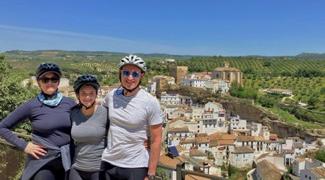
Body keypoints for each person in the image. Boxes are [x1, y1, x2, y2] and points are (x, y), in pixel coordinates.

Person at [0, 63, 76, 180]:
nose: (49, 83)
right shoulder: (31, 105)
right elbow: (2, 127)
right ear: (39, 82)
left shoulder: (69, 103)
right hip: (43, 161)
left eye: (54, 79)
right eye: (45, 79)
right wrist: (24, 145)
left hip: (68, 159)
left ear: (58, 82)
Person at [101, 54, 163, 180]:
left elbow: (157, 139)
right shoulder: (111, 96)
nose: (130, 78)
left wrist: (151, 173)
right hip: (109, 161)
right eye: (126, 73)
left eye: (135, 74)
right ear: (120, 74)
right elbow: (98, 116)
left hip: (135, 165)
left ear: (142, 76)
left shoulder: (150, 102)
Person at [69, 74, 107, 180]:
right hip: (76, 168)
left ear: (96, 94)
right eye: (83, 93)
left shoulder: (105, 113)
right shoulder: (73, 113)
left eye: (91, 93)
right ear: (77, 95)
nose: (87, 97)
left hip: (98, 170)